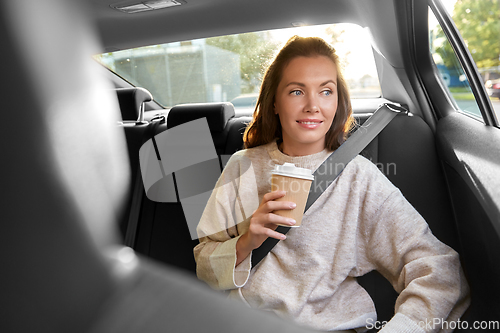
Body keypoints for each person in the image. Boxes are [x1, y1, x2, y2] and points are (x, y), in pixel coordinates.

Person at [194, 36, 469, 332]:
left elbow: (439, 271)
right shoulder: (242, 166)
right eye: (297, 91)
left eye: (326, 91)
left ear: (338, 102)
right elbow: (204, 264)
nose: (313, 105)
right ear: (274, 101)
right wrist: (247, 242)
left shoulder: (358, 178)